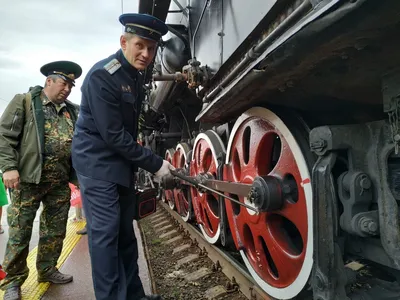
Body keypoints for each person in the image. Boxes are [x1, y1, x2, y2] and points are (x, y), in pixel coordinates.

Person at [71, 13, 174, 300]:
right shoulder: (103, 75)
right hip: (98, 165)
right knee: (106, 238)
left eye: (152, 49)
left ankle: (134, 295)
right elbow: (113, 135)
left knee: (125, 235)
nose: (146, 54)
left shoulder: (133, 76)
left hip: (119, 165)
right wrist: (155, 164)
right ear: (124, 41)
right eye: (140, 45)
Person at [0, 61, 82, 300]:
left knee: (55, 231)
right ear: (49, 81)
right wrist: (8, 167)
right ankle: (13, 282)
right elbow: (5, 136)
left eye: (71, 85)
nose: (67, 89)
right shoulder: (25, 102)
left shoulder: (72, 110)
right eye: (63, 83)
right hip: (27, 181)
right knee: (19, 233)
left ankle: (47, 270)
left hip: (59, 182)